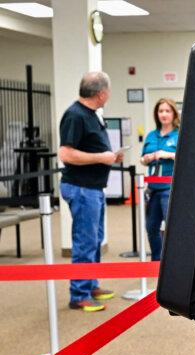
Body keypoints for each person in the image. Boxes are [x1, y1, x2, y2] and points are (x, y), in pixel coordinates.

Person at [58, 71, 123, 312]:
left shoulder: (91, 115)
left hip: (92, 188)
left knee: (94, 240)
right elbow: (66, 154)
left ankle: (91, 283)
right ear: (101, 93)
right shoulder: (75, 115)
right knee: (85, 242)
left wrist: (110, 156)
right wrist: (101, 157)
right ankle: (79, 294)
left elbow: (91, 148)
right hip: (81, 188)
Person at [140, 98, 179, 261]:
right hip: (152, 189)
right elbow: (141, 159)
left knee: (171, 228)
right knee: (151, 227)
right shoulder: (151, 135)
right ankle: (157, 260)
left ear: (173, 114)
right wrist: (146, 158)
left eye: (167, 111)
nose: (164, 114)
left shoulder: (180, 134)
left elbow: (187, 158)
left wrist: (167, 154)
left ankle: (172, 262)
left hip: (169, 188)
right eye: (161, 111)